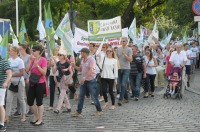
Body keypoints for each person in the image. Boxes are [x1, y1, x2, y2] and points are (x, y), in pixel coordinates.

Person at [71, 48, 103, 117]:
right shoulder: (83, 60)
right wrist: (74, 66)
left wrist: (85, 77)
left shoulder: (92, 60)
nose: (80, 54)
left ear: (85, 53)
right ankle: (78, 111)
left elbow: (92, 70)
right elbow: (80, 69)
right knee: (81, 96)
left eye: (81, 52)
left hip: (91, 81)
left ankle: (99, 110)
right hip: (84, 81)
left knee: (94, 97)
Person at [26, 45, 47, 126]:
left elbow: (44, 73)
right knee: (30, 101)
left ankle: (40, 119)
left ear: (38, 51)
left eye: (33, 50)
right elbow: (27, 70)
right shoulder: (33, 59)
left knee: (39, 102)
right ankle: (37, 116)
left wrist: (37, 65)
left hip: (40, 83)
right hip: (32, 82)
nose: (32, 52)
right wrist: (30, 61)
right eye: (31, 51)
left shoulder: (43, 60)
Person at [5, 46, 27, 123]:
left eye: (10, 51)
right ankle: (6, 116)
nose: (9, 52)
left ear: (15, 52)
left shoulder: (20, 61)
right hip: (11, 82)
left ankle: (24, 115)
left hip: (19, 82)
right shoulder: (9, 60)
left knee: (21, 99)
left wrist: (11, 75)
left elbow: (22, 73)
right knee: (8, 100)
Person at [116, 37, 132, 106]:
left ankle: (121, 99)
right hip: (119, 68)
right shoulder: (118, 49)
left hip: (126, 69)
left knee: (123, 84)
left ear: (127, 42)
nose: (123, 42)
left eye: (124, 41)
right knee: (119, 84)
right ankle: (126, 98)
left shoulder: (129, 49)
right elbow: (116, 58)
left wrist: (125, 55)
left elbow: (130, 60)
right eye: (122, 41)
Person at [0, 56, 12, 131]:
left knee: (0, 105)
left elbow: (10, 73)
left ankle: (1, 124)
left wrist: (6, 82)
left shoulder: (4, 62)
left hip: (1, 87)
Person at [47, 46, 59, 111]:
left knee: (60, 90)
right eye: (56, 50)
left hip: (58, 75)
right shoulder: (52, 57)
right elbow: (49, 66)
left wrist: (53, 59)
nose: (57, 51)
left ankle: (63, 102)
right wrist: (50, 61)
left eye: (58, 50)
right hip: (52, 75)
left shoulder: (61, 58)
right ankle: (51, 105)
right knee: (52, 90)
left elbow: (58, 64)